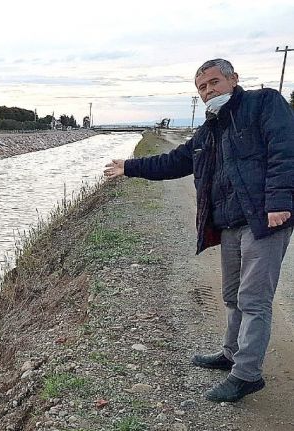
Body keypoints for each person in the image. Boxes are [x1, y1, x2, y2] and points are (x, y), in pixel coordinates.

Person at [103, 58, 294, 402]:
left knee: (254, 300)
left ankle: (247, 374)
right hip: (230, 223)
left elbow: (285, 150)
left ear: (234, 79)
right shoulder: (209, 130)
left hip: (264, 220)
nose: (208, 91)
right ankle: (231, 353)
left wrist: (279, 201)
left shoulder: (263, 104)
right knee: (232, 295)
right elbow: (174, 161)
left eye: (213, 82)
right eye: (202, 87)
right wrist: (129, 167)